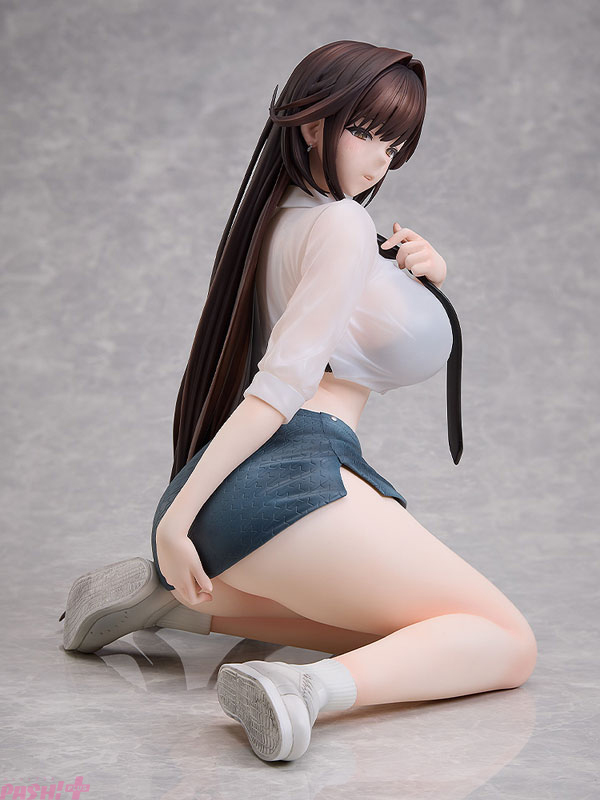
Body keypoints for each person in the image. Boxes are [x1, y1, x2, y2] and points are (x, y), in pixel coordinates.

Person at [60, 40, 538, 763]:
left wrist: (425, 276)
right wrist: (174, 524)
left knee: (411, 635)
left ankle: (192, 608)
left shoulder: (283, 216)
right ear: (313, 124)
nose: (380, 162)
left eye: (396, 145)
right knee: (506, 640)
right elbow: (280, 386)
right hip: (292, 482)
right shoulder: (339, 223)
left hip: (253, 494)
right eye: (367, 133)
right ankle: (301, 691)